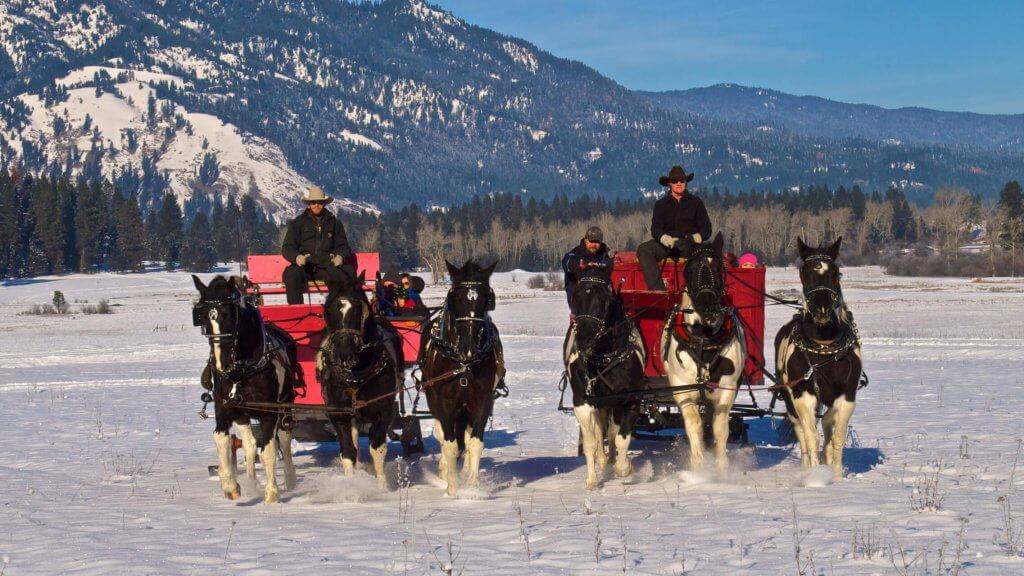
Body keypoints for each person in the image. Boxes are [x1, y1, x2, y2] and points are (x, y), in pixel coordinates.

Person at [636, 165, 712, 291]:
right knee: (644, 249)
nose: (678, 183)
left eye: (682, 180)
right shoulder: (661, 204)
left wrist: (696, 237)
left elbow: (706, 228)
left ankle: (702, 294)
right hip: (667, 245)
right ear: (669, 184)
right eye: (675, 181)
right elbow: (655, 229)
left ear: (686, 182)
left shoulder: (696, 202)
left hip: (690, 244)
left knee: (709, 254)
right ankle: (659, 291)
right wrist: (665, 238)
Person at [281, 185, 354, 304]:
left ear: (324, 203)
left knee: (346, 272)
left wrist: (340, 257)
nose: (316, 205)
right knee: (291, 274)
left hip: (327, 267)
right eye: (313, 202)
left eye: (319, 202)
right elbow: (287, 248)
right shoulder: (297, 223)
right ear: (308, 204)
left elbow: (344, 247)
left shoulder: (335, 223)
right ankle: (298, 313)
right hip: (304, 267)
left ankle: (338, 313)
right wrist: (296, 257)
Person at [561, 226, 613, 305]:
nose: (594, 245)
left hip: (602, 300)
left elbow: (611, 265)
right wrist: (578, 265)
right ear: (585, 240)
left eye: (597, 242)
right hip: (579, 301)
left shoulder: (605, 255)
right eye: (591, 242)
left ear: (601, 242)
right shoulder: (575, 253)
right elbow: (566, 262)